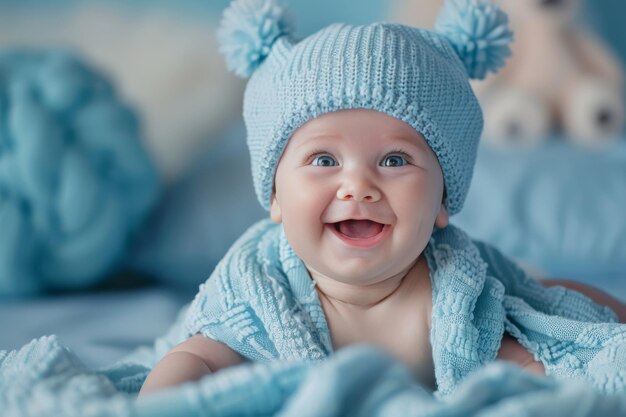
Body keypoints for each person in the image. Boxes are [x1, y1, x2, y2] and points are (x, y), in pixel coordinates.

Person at [139, 0, 626, 397]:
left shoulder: (455, 294)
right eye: (324, 160)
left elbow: (528, 361)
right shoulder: (260, 290)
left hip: (516, 287)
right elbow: (195, 356)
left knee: (563, 305)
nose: (358, 186)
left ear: (441, 202)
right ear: (276, 198)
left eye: (395, 160)